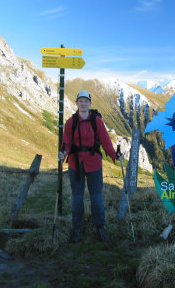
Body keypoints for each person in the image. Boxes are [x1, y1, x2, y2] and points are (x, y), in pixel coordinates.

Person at [59, 90, 123, 243]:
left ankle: (100, 227)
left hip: (93, 163)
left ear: (90, 103)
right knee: (77, 199)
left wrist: (115, 155)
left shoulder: (97, 121)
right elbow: (66, 142)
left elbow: (105, 141)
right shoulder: (71, 122)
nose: (83, 103)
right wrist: (63, 154)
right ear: (77, 103)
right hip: (76, 163)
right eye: (80, 101)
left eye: (85, 101)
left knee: (96, 198)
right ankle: (78, 229)